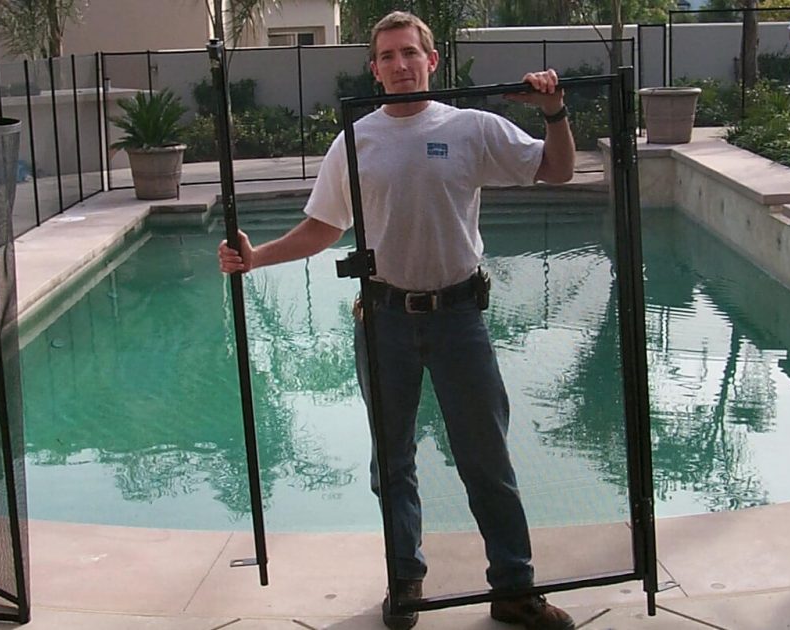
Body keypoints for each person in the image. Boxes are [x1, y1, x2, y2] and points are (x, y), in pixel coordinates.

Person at [218, 10, 577, 630]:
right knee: (393, 462)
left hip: (459, 317)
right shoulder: (355, 140)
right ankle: (406, 581)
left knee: (485, 456)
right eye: (387, 56)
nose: (400, 65)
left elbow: (557, 168)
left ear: (431, 61)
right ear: (375, 70)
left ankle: (514, 586)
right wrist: (256, 259)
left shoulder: (471, 128)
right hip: (383, 320)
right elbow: (323, 228)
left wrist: (554, 112)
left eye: (410, 53)